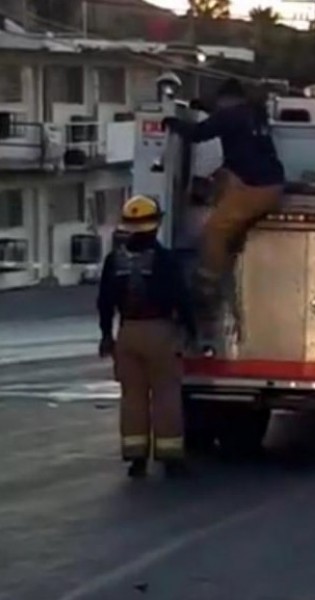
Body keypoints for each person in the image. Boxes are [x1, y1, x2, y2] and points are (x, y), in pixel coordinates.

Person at [97, 195, 197, 479]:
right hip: (160, 331)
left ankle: (136, 458)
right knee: (166, 394)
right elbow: (181, 296)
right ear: (156, 225)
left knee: (132, 397)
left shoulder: (113, 261)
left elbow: (104, 301)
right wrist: (190, 329)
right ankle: (170, 457)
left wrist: (106, 334)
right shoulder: (165, 259)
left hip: (127, 332)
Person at [162, 77, 285, 298]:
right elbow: (224, 123)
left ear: (226, 99)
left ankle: (209, 283)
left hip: (254, 189)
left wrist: (172, 123)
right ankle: (228, 265)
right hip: (272, 185)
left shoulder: (230, 116)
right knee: (223, 179)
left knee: (213, 231)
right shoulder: (253, 114)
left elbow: (198, 134)